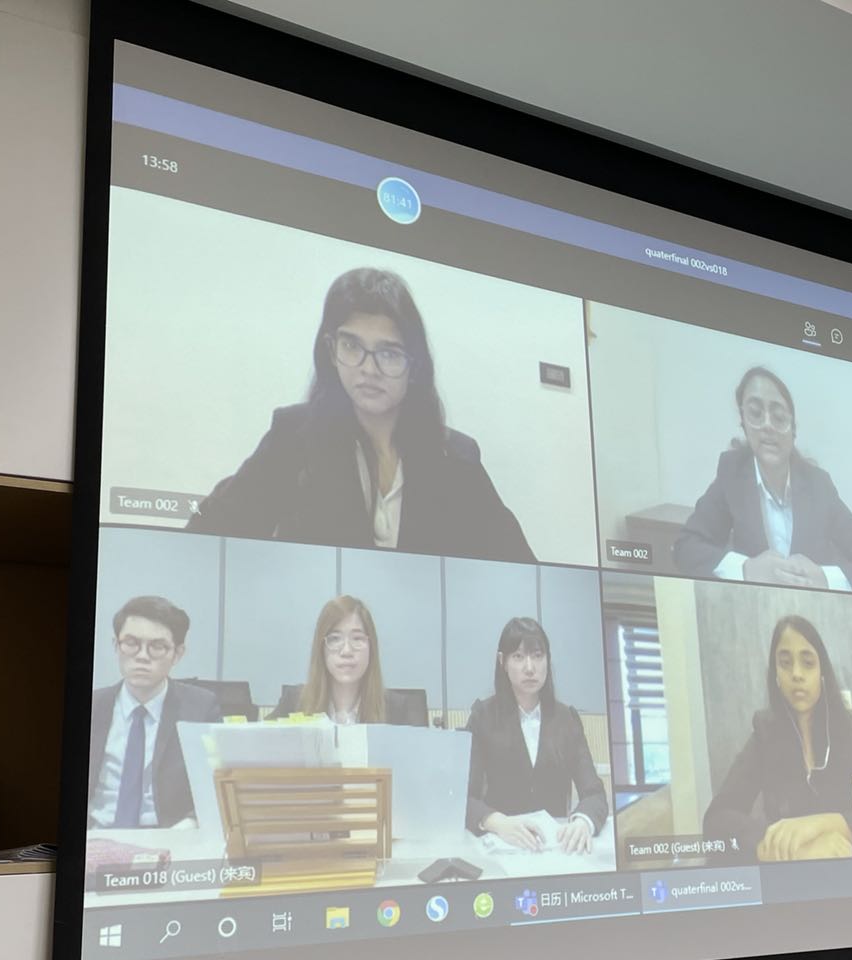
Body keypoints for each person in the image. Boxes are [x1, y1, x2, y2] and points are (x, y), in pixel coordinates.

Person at [187, 268, 535, 562]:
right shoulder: (293, 436)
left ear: (414, 366)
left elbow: (519, 565)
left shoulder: (457, 458)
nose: (368, 369)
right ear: (331, 350)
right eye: (352, 346)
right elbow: (205, 534)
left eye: (389, 352)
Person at [672, 366, 852, 595]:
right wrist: (746, 570)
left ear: (793, 430)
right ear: (744, 424)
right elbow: (686, 548)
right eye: (755, 414)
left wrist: (823, 578)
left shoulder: (819, 487)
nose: (768, 425)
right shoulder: (733, 475)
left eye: (779, 417)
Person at [704, 615, 852, 861]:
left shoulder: (843, 732)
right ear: (776, 675)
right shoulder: (765, 735)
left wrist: (829, 824)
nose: (797, 674)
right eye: (785, 663)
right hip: (790, 874)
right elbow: (717, 820)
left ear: (822, 674)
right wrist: (781, 846)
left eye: (807, 663)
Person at [465, 617, 607, 854]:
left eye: (538, 656)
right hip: (502, 846)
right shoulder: (483, 717)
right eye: (518, 656)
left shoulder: (566, 719)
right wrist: (497, 822)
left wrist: (583, 821)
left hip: (555, 849)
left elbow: (594, 793)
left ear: (548, 660)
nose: (530, 667)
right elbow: (464, 798)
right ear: (503, 662)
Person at [87, 595, 220, 828]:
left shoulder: (200, 708)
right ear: (116, 645)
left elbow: (215, 786)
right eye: (131, 643)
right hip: (94, 835)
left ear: (178, 653)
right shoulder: (92, 706)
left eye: (157, 646)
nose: (142, 656)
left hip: (168, 836)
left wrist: (188, 826)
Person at [278, 595, 422, 725]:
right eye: (335, 639)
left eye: (357, 638)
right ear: (321, 648)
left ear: (371, 647)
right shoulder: (294, 703)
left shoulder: (399, 711)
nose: (346, 651)